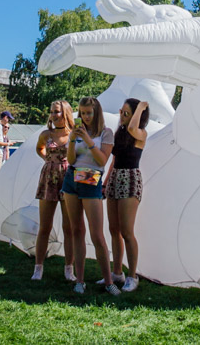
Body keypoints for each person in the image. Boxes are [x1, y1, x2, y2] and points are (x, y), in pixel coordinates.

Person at [63, 96, 118, 296]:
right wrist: (71, 142)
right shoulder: (76, 132)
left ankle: (109, 281)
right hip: (72, 178)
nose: (85, 116)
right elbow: (71, 160)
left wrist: (87, 140)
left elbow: (102, 161)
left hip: (92, 180)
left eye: (89, 113)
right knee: (77, 230)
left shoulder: (106, 133)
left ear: (97, 113)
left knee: (97, 235)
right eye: (82, 112)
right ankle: (80, 280)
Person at [105, 99, 149, 292]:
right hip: (115, 178)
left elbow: (133, 128)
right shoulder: (119, 133)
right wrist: (106, 182)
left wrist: (140, 107)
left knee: (127, 231)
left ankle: (132, 275)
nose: (121, 115)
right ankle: (117, 272)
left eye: (125, 112)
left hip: (130, 179)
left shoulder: (140, 133)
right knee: (113, 229)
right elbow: (114, 160)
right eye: (121, 111)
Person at [30, 100, 75, 282]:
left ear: (65, 113)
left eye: (57, 111)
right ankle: (38, 267)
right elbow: (38, 149)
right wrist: (49, 161)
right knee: (45, 226)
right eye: (52, 112)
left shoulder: (73, 134)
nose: (54, 115)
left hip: (68, 179)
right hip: (49, 179)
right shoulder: (45, 134)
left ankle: (69, 268)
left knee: (69, 227)